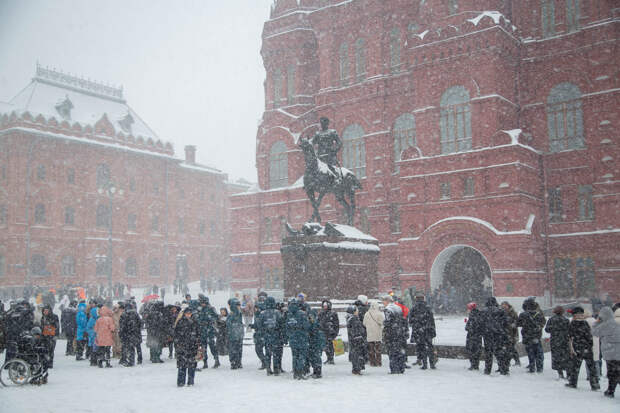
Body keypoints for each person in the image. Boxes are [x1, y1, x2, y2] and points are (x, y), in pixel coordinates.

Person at [566, 306, 600, 390]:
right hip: (587, 348)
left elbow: (569, 336)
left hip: (577, 348)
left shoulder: (573, 324)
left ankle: (573, 383)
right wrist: (589, 346)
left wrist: (572, 348)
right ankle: (594, 384)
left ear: (574, 315)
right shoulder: (585, 323)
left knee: (575, 367)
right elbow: (589, 336)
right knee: (591, 367)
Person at [592, 306, 620, 397]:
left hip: (610, 353)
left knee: (612, 373)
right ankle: (610, 390)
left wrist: (597, 322)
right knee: (616, 372)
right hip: (618, 353)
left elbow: (594, 332)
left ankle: (610, 391)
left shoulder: (605, 325)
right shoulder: (616, 324)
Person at [256, 296, 284, 376]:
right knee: (276, 354)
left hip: (267, 336)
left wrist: (263, 334)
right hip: (276, 336)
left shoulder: (262, 313)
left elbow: (259, 326)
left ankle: (268, 369)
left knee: (268, 353)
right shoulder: (277, 312)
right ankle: (276, 369)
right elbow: (281, 324)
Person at [482, 297, 510, 375]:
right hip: (498, 335)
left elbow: (481, 323)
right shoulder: (501, 311)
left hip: (487, 335)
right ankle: (503, 369)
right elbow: (505, 323)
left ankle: (487, 370)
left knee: (488, 353)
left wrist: (483, 331)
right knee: (499, 352)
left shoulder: (484, 311)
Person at [409, 292, 437, 370]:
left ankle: (424, 364)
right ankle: (432, 364)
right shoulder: (428, 308)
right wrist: (433, 330)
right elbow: (432, 320)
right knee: (430, 347)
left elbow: (410, 320)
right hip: (428, 330)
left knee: (421, 347)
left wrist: (416, 324)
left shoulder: (414, 308)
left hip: (419, 331)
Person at [517, 297, 546, 373]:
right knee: (538, 352)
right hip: (537, 336)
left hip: (527, 336)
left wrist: (525, 324)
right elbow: (543, 323)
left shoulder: (523, 314)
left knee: (530, 353)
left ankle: (532, 367)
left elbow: (518, 323)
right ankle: (540, 368)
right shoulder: (539, 313)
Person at [174, 308, 201, 387]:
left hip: (192, 347)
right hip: (182, 347)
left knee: (191, 365)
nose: (188, 315)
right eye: (187, 313)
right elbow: (176, 334)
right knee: (182, 365)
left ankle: (190, 381)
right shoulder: (180, 322)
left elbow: (198, 333)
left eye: (190, 313)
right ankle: (181, 382)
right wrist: (178, 344)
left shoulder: (194, 322)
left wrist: (198, 342)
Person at [286, 299, 311, 379]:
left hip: (293, 339)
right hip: (301, 338)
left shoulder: (289, 315)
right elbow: (307, 326)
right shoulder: (302, 314)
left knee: (294, 356)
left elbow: (286, 327)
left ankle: (295, 373)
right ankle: (300, 372)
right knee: (301, 356)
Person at [545, 305, 570, 379]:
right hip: (564, 340)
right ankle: (568, 373)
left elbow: (547, 329)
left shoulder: (551, 319)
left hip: (555, 341)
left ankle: (560, 373)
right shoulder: (566, 320)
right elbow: (569, 330)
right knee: (566, 357)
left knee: (557, 357)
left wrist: (554, 329)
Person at [382, 295, 406, 374]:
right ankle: (401, 367)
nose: (383, 303)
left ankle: (394, 369)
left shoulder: (388, 309)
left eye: (384, 301)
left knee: (392, 352)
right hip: (400, 333)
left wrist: (385, 330)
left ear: (387, 301)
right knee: (399, 351)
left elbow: (388, 322)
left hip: (392, 334)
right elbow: (404, 320)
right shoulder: (398, 308)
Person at [197, 294, 220, 369]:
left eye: (203, 302)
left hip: (209, 330)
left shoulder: (211, 308)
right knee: (203, 348)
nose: (202, 304)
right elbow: (198, 318)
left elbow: (216, 317)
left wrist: (210, 319)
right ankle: (205, 362)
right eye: (201, 302)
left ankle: (216, 360)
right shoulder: (200, 309)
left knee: (212, 346)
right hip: (202, 330)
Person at [119, 301, 142, 367]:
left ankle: (129, 361)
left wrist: (121, 333)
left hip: (127, 334)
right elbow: (140, 323)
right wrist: (137, 329)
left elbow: (122, 326)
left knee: (128, 348)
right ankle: (136, 360)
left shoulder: (124, 315)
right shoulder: (135, 314)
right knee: (135, 347)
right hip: (135, 333)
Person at [346, 305, 366, 375]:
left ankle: (356, 368)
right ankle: (357, 369)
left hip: (353, 340)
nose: (358, 311)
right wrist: (360, 337)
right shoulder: (354, 319)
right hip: (357, 340)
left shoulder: (350, 319)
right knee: (357, 355)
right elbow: (357, 330)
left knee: (355, 355)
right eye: (356, 310)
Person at [318, 299, 339, 365]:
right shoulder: (321, 313)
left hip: (330, 333)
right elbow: (319, 322)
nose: (324, 307)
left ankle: (331, 358)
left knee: (330, 346)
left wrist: (335, 333)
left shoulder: (333, 313)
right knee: (326, 347)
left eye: (326, 306)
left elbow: (336, 324)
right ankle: (328, 358)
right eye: (323, 306)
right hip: (323, 332)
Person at [363, 301, 384, 367]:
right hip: (377, 334)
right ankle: (378, 362)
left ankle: (372, 362)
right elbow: (382, 322)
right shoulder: (379, 314)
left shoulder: (367, 314)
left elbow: (364, 323)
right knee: (378, 349)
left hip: (370, 334)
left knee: (371, 350)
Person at [501, 301, 520, 367]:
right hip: (505, 333)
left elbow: (516, 322)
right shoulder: (502, 312)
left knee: (511, 348)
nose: (504, 306)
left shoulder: (512, 313)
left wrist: (512, 326)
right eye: (502, 305)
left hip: (512, 333)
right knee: (507, 348)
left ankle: (516, 360)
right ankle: (508, 362)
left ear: (508, 305)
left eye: (505, 305)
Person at [465, 302, 483, 370]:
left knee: (471, 350)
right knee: (476, 350)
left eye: (468, 308)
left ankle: (473, 364)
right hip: (477, 336)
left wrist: (467, 327)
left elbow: (470, 326)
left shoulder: (473, 315)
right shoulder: (478, 314)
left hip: (472, 335)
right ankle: (476, 364)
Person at [227, 298, 244, 369]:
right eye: (238, 305)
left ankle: (238, 362)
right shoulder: (232, 314)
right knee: (233, 349)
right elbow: (228, 324)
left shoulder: (239, 313)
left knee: (239, 350)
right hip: (233, 335)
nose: (239, 306)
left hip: (239, 335)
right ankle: (233, 363)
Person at [308, 308, 325, 378]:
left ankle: (318, 372)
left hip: (316, 343)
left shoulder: (316, 323)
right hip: (313, 343)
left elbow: (315, 332)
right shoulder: (313, 322)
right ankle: (315, 371)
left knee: (316, 358)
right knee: (313, 358)